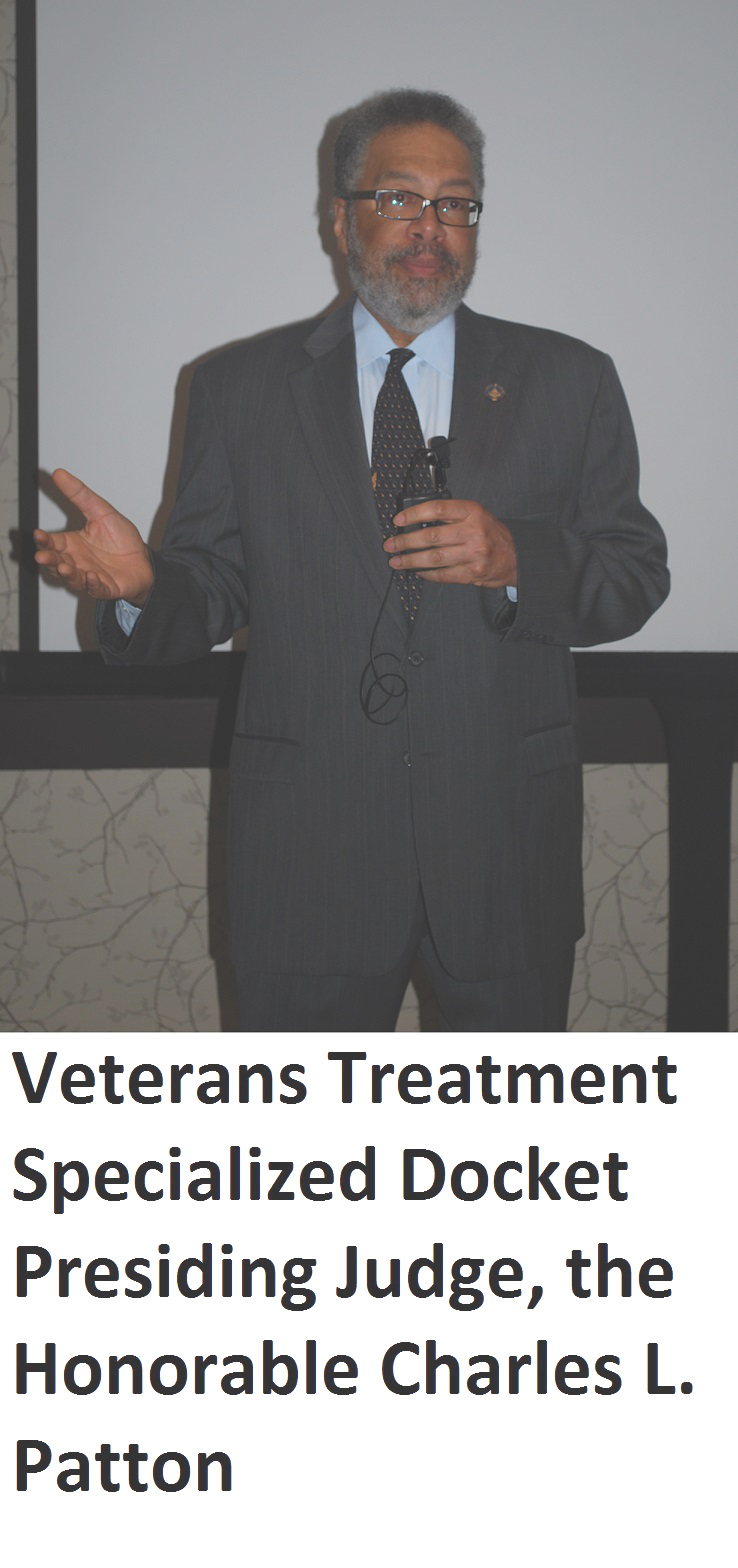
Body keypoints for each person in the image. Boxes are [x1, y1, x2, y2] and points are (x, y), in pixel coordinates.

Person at [34, 88, 669, 1032]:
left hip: (503, 852)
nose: (429, 226)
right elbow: (212, 585)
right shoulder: (240, 387)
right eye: (399, 197)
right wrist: (144, 588)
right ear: (341, 219)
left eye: (455, 203)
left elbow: (635, 572)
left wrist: (516, 558)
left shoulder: (570, 380)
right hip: (308, 855)